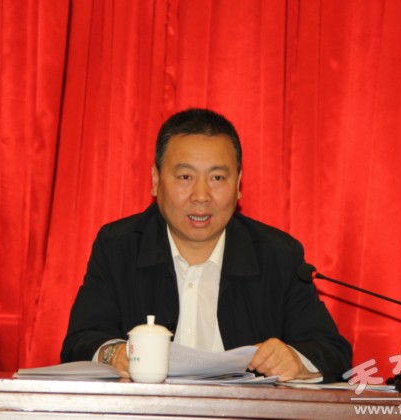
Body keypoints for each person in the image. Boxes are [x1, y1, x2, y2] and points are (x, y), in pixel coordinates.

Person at [60, 108, 352, 382]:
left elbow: (332, 351)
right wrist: (115, 354)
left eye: (217, 178)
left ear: (238, 184)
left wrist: (296, 360)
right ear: (155, 180)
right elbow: (80, 342)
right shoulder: (119, 247)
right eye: (185, 177)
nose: (201, 196)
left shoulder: (278, 256)